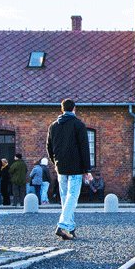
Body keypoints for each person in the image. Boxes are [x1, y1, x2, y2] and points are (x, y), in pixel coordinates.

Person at [47, 98, 92, 241]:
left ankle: (70, 229)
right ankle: (62, 225)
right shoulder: (78, 125)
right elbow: (84, 148)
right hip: (76, 168)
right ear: (74, 109)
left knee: (65, 198)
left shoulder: (53, 126)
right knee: (72, 197)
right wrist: (87, 169)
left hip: (61, 168)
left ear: (62, 109)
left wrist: (56, 162)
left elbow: (49, 147)